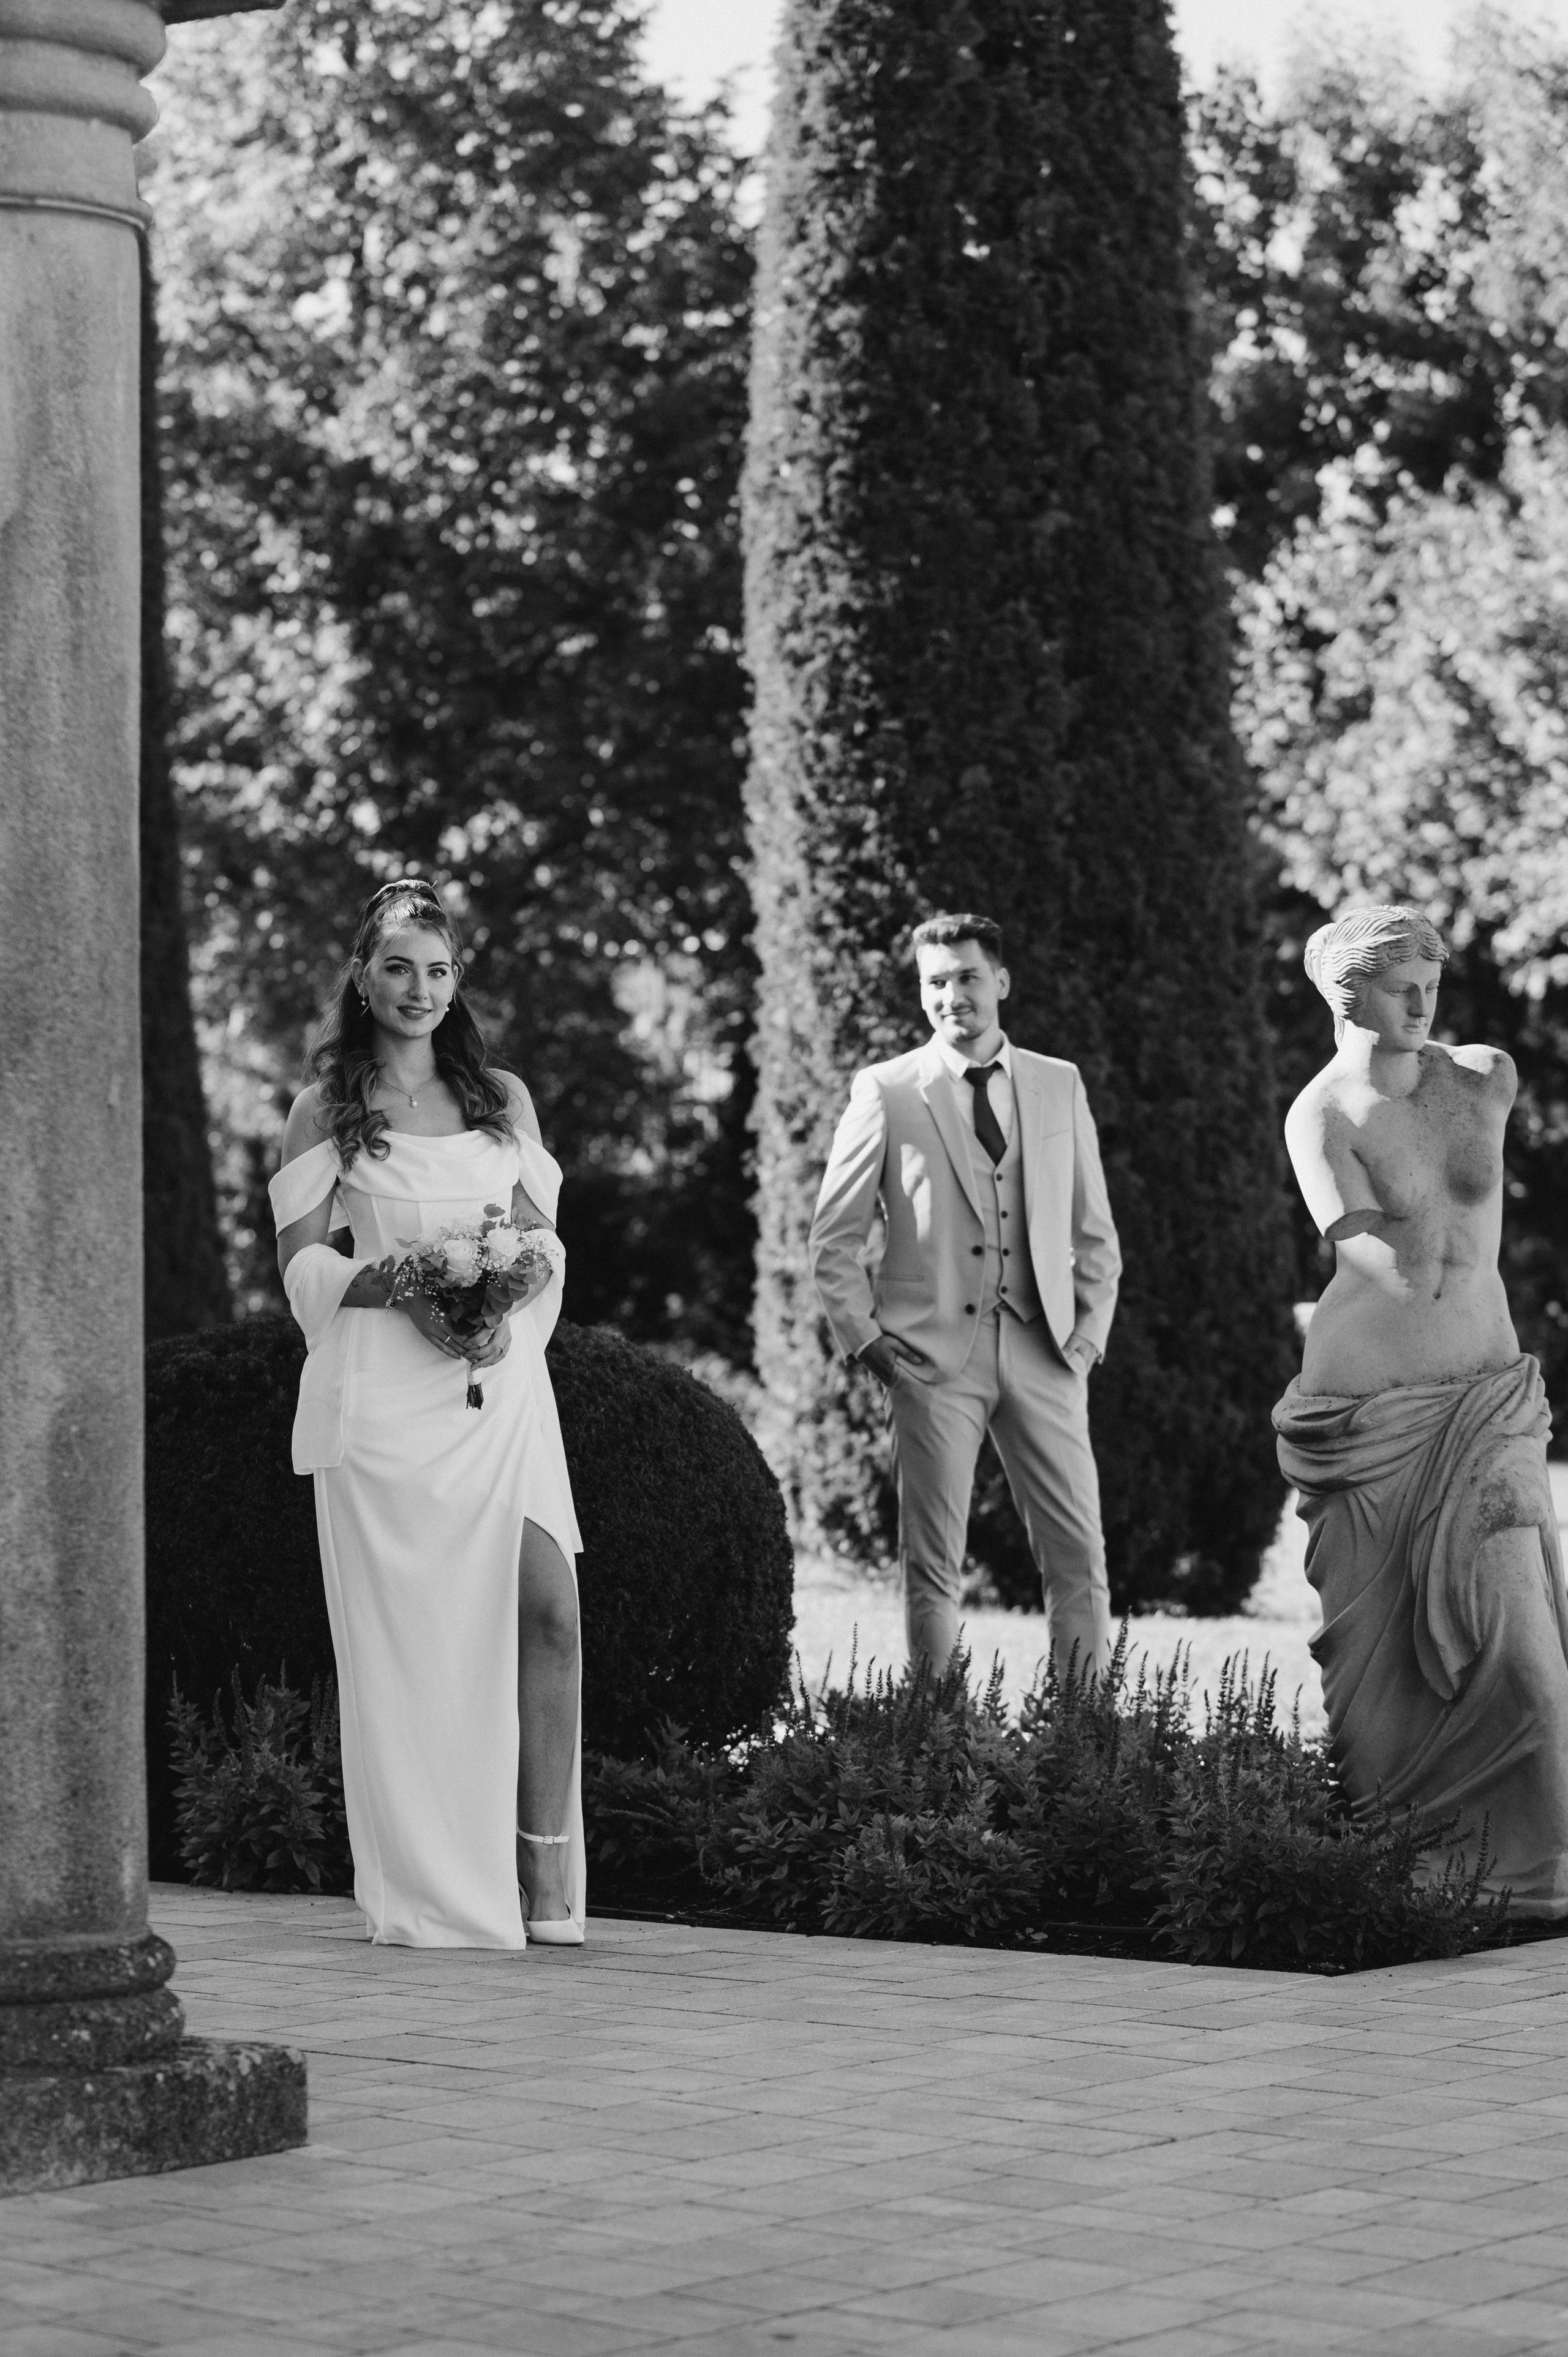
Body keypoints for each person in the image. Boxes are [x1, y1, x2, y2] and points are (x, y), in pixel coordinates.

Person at [268, 879, 586, 1948]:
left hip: (502, 1393)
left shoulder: (504, 1097)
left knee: (551, 1613)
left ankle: (547, 1880)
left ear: (460, 982)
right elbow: (303, 1266)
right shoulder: (324, 1108)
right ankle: (438, 1885)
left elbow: (542, 1251)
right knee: (412, 1653)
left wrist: (500, 1321)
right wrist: (398, 1285)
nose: (421, 988)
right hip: (387, 1409)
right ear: (363, 976)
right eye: (400, 967)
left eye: (440, 969)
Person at [1275, 904, 1568, 1915]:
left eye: (1430, 980)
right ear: (1341, 993)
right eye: (1398, 983)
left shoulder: (1483, 1073)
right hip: (1371, 1411)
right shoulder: (1323, 1115)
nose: (1421, 1000)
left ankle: (1532, 1870)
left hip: (1485, 1403)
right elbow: (1379, 1259)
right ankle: (1414, 1866)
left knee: (1525, 1653)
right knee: (1383, 1668)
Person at [808, 913, 1121, 1676]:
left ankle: (1086, 1745)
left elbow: (1095, 1230)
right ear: (923, 994)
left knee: (1079, 1555)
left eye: (967, 976)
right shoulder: (885, 1090)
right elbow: (833, 1239)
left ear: (1000, 981)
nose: (953, 995)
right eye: (936, 982)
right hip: (931, 1357)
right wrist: (874, 1349)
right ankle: (937, 1739)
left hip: (1046, 1350)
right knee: (932, 1563)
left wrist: (1084, 1338)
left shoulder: (1058, 1081)